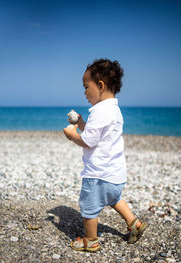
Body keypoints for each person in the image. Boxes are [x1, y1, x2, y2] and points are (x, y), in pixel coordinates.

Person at [63, 58, 147, 252]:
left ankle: (91, 240)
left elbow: (89, 141)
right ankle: (134, 223)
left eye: (86, 87)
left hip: (97, 176)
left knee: (88, 207)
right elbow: (98, 133)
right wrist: (83, 124)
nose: (84, 93)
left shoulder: (99, 112)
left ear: (100, 85)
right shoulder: (115, 110)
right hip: (116, 176)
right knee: (115, 199)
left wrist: (73, 135)